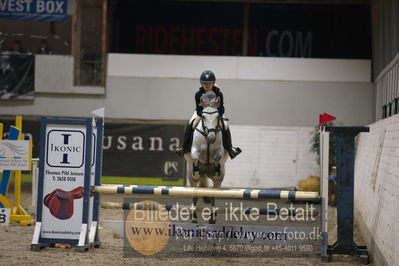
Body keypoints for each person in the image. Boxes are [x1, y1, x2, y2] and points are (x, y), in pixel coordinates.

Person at [175, 70, 242, 159]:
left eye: (209, 83)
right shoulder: (198, 94)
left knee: (225, 125)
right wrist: (203, 115)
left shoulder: (219, 93)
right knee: (191, 123)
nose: (207, 85)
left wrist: (219, 115)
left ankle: (230, 149)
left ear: (213, 83)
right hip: (202, 113)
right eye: (205, 83)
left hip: (216, 114)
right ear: (201, 83)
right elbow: (199, 109)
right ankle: (183, 147)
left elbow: (221, 107)